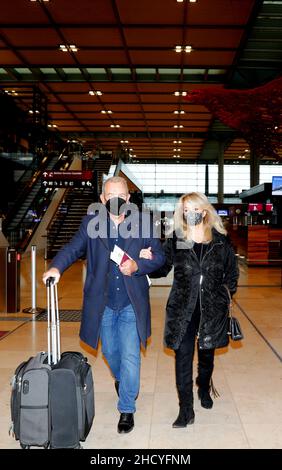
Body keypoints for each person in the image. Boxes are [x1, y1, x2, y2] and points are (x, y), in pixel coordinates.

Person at [43, 176, 165, 434]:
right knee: (111, 352)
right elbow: (73, 248)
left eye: (121, 196)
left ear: (129, 199)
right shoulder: (91, 223)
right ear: (102, 200)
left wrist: (139, 265)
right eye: (111, 196)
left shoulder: (143, 223)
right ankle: (122, 381)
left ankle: (127, 408)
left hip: (132, 302)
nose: (116, 200)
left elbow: (160, 256)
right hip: (104, 304)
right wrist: (56, 267)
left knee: (131, 356)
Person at [140, 192, 239, 428]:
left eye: (194, 209)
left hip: (211, 308)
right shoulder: (177, 239)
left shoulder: (219, 241)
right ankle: (186, 409)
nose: (190, 213)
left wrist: (223, 296)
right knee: (182, 356)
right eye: (185, 210)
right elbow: (162, 268)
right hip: (183, 307)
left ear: (204, 211)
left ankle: (203, 386)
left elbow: (232, 274)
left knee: (206, 355)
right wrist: (146, 260)